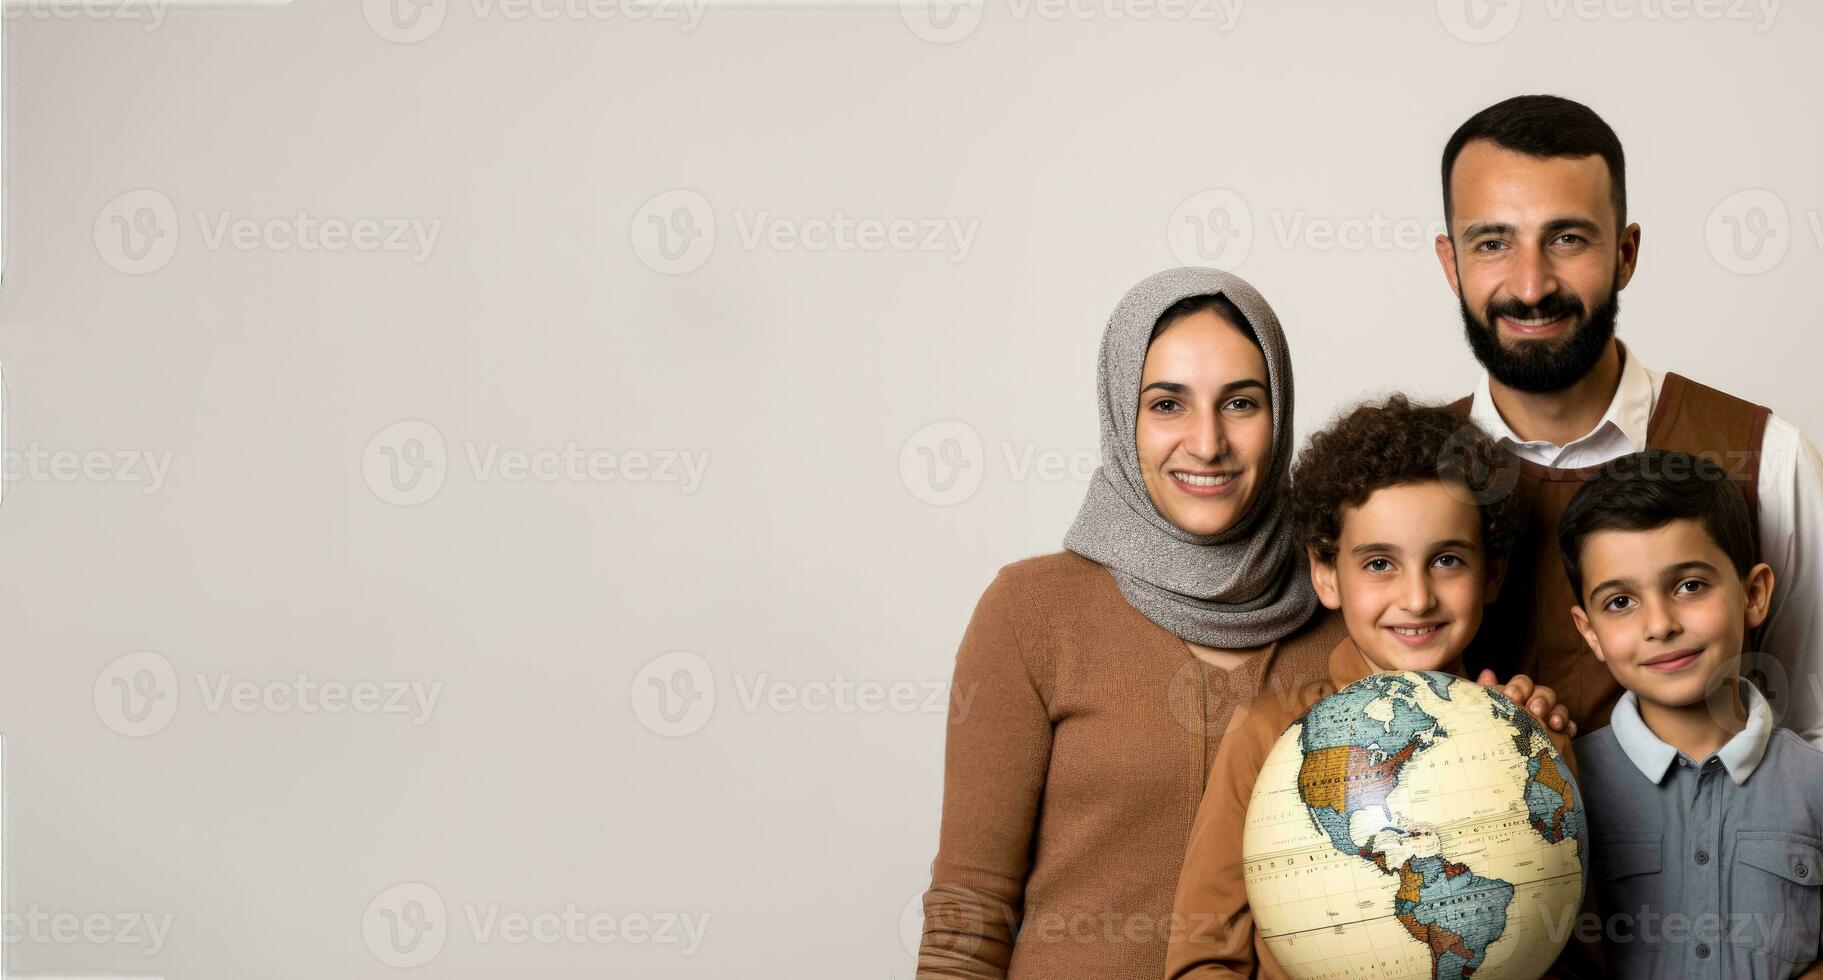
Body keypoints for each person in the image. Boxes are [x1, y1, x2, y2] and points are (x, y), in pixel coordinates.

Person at [914, 269, 1571, 980]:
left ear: (1279, 412)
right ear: (1119, 413)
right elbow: (968, 911)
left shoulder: (1361, 620)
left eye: (1240, 403)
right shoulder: (1032, 611)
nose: (1206, 442)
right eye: (1167, 404)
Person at [1431, 94, 1823, 742]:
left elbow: (1812, 737)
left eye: (1566, 238)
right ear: (1451, 263)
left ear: (1625, 252)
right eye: (1492, 242)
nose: (1531, 286)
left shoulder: (1769, 462)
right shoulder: (1407, 478)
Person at [1166, 394, 1594, 979]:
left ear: (1492, 572)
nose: (1417, 597)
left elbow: (1575, 949)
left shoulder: (1532, 741)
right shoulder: (1264, 736)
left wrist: (1538, 743)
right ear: (1325, 572)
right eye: (1378, 564)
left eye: (1447, 560)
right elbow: (1202, 959)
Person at [1560, 450, 1823, 979]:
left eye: (1689, 586)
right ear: (1590, 633)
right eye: (1619, 602)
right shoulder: (1560, 786)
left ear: (1753, 595)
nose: (1659, 625)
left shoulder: (1814, 782)